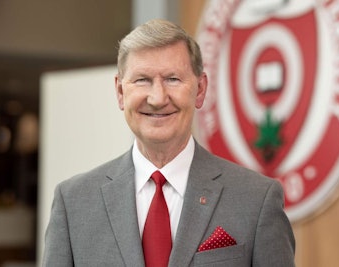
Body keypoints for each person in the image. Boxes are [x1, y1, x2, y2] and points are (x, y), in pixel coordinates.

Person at [42, 19, 295, 267]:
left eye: (173, 79)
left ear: (200, 89)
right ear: (120, 92)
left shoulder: (256, 200)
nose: (158, 98)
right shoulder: (74, 203)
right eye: (142, 80)